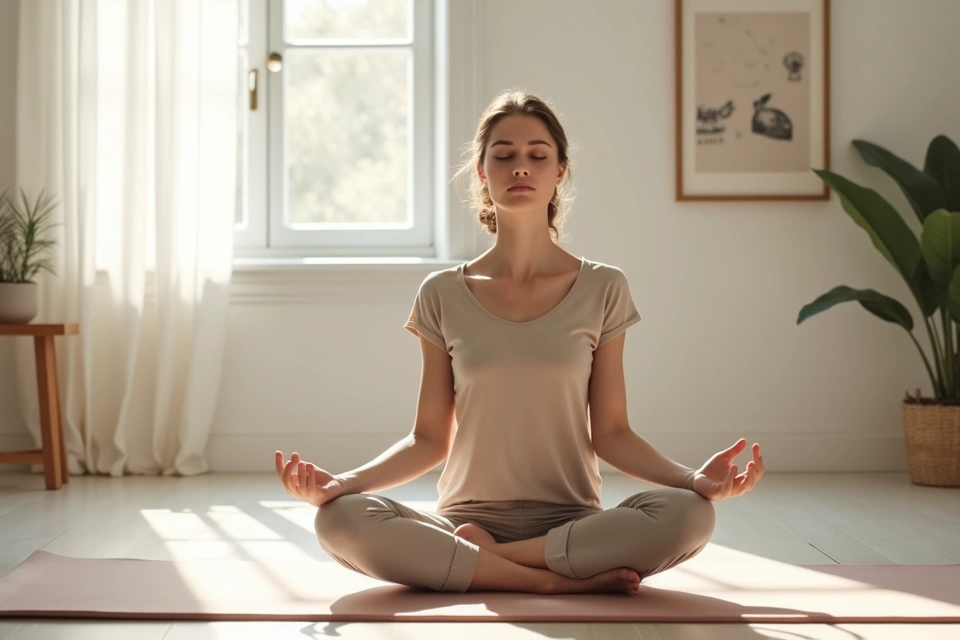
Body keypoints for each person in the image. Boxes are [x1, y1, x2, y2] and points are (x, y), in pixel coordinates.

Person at [274, 89, 765, 596]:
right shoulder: (442, 292)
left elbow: (613, 433)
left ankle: (491, 563)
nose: (521, 168)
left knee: (690, 515)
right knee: (338, 520)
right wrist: (342, 485)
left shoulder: (603, 287)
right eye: (503, 155)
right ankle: (553, 585)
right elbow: (428, 440)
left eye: (537, 155)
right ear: (482, 173)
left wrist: (692, 480)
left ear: (560, 172)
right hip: (464, 520)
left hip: (572, 526)